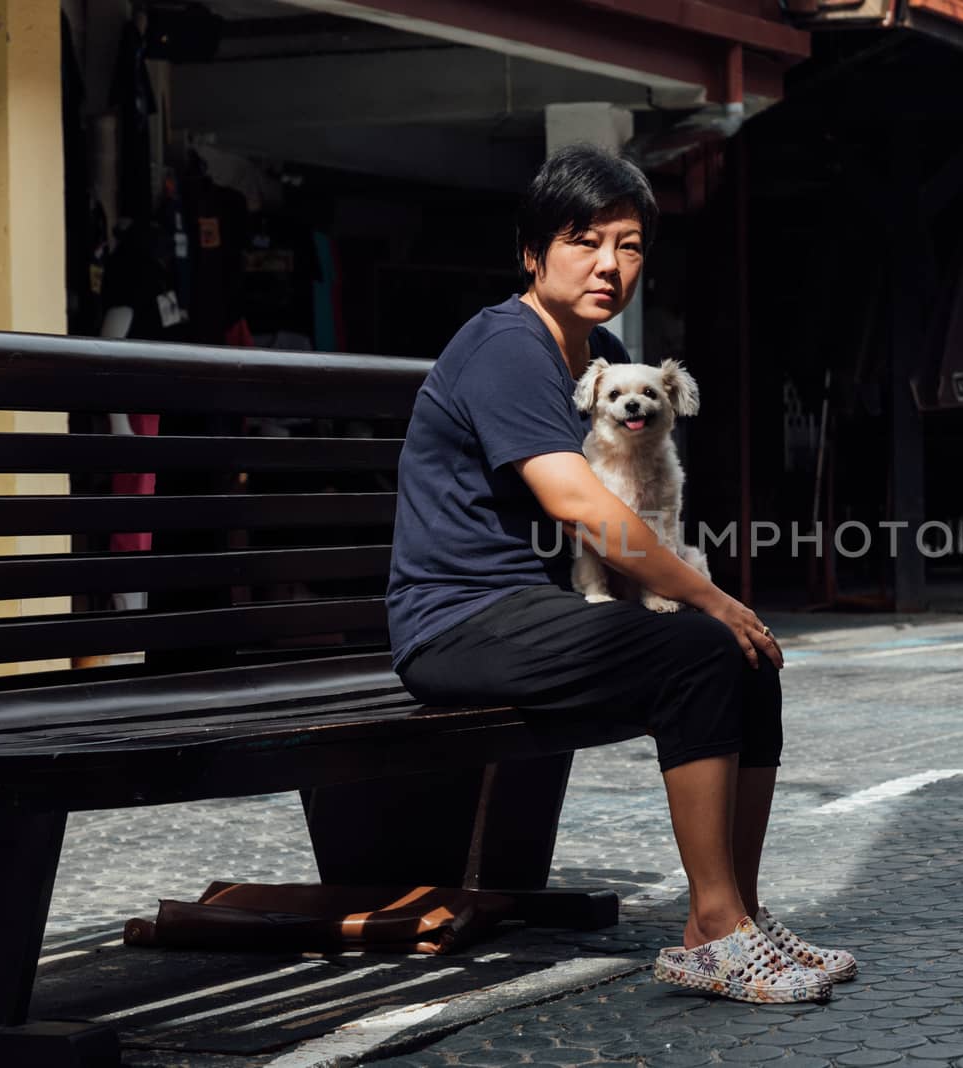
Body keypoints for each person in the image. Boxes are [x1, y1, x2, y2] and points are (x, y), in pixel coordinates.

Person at [386, 144, 856, 1004]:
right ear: (532, 253)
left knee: (743, 652)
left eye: (630, 244)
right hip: (458, 621)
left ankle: (739, 918)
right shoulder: (507, 345)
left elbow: (641, 497)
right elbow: (579, 503)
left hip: (532, 610)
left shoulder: (598, 353)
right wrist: (707, 594)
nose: (610, 263)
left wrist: (714, 606)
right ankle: (712, 929)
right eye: (584, 240)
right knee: (702, 647)